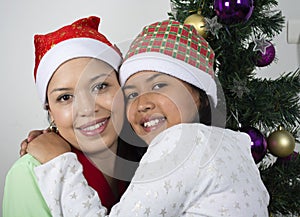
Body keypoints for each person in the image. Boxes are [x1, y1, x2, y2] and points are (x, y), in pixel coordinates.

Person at [24, 20, 270, 216]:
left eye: (160, 85)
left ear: (199, 97)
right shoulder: (230, 145)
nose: (143, 103)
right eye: (131, 94)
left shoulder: (180, 142)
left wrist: (58, 162)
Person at [3, 16, 146, 217]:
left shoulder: (146, 150)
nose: (87, 108)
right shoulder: (29, 174)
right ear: (50, 111)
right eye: (65, 97)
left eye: (100, 86)